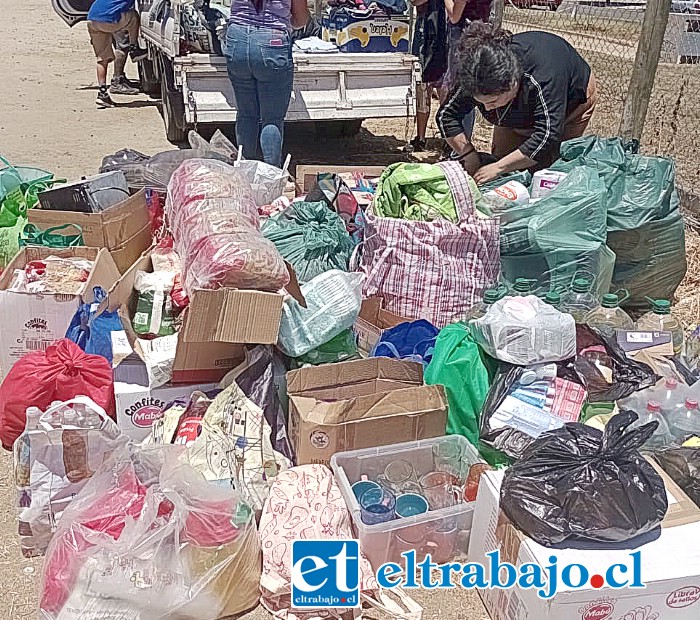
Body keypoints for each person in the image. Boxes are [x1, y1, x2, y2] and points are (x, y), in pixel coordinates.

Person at [437, 23, 598, 183]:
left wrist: (499, 167)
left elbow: (548, 135)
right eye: (480, 103)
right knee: (502, 164)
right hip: (517, 109)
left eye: (492, 101)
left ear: (513, 83)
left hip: (571, 102)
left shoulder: (542, 76)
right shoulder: (477, 71)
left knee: (548, 172)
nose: (486, 109)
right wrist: (468, 155)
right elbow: (446, 115)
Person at [225, 0, 310, 168]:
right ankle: (271, 174)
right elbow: (301, 20)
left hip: (237, 39)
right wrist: (288, 23)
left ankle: (245, 171)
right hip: (272, 42)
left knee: (246, 114)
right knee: (271, 119)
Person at [441, 0, 493, 141]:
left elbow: (454, 16)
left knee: (460, 88)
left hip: (463, 34)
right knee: (469, 86)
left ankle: (458, 143)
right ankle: (462, 140)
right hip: (480, 29)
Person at [86, 0, 148, 108]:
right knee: (133, 17)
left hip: (92, 19)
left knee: (102, 59)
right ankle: (134, 49)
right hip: (107, 19)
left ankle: (102, 94)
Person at [407, 0, 447, 152]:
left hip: (446, 29)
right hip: (425, 28)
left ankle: (447, 138)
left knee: (445, 85)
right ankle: (421, 137)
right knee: (422, 84)